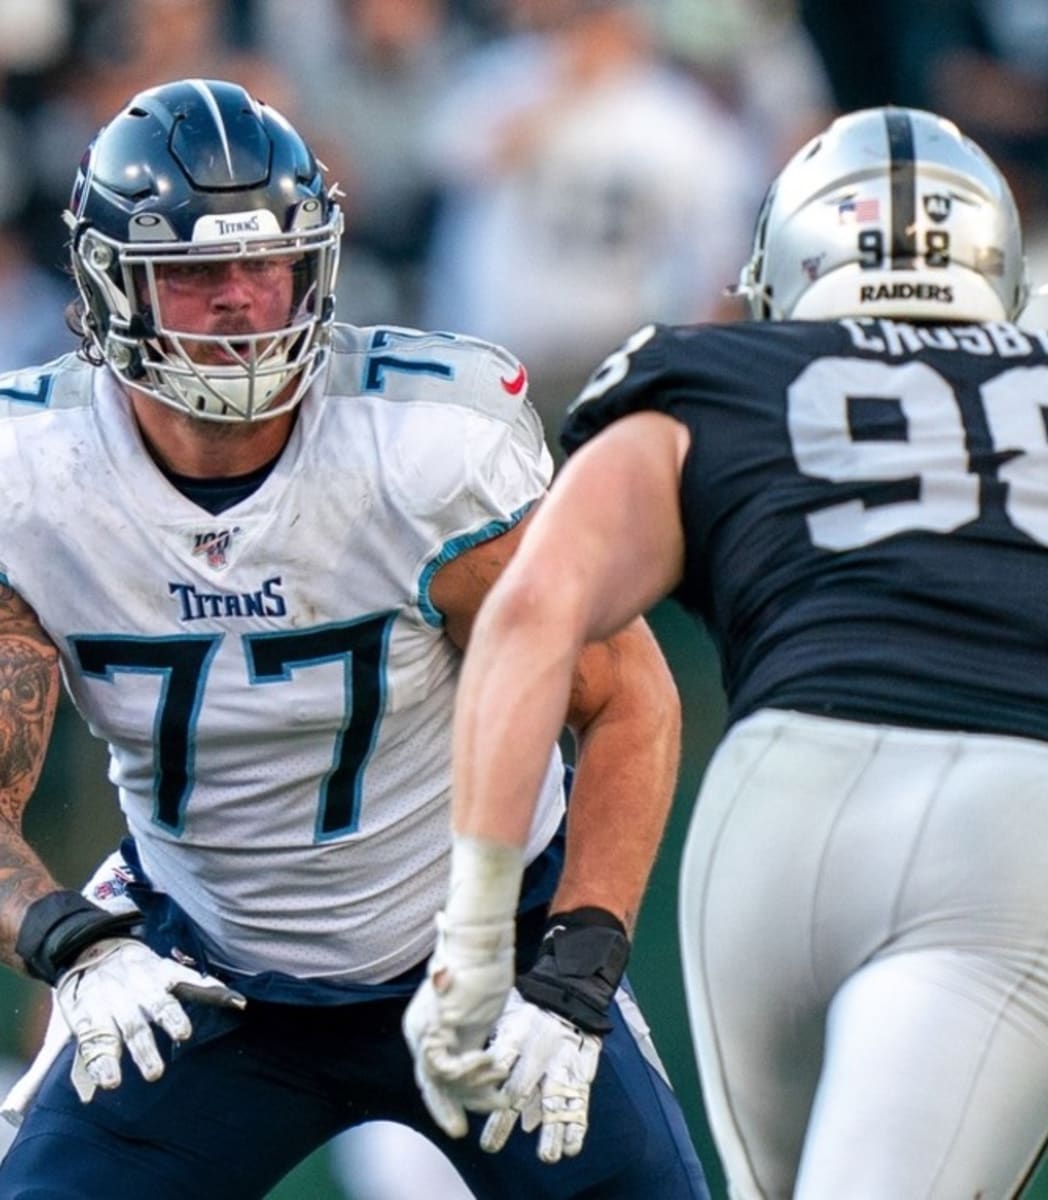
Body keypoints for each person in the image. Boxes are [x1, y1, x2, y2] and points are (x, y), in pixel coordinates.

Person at [403, 105, 1048, 1199]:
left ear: (784, 270)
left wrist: (478, 929)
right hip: (1030, 816)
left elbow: (532, 614)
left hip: (778, 810)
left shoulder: (712, 375)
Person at [0, 77, 708, 1200]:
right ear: (109, 285)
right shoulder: (31, 471)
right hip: (200, 965)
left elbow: (626, 697)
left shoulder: (424, 446)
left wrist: (578, 970)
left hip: (486, 954)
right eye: (194, 274)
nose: (241, 302)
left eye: (266, 265)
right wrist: (67, 941)